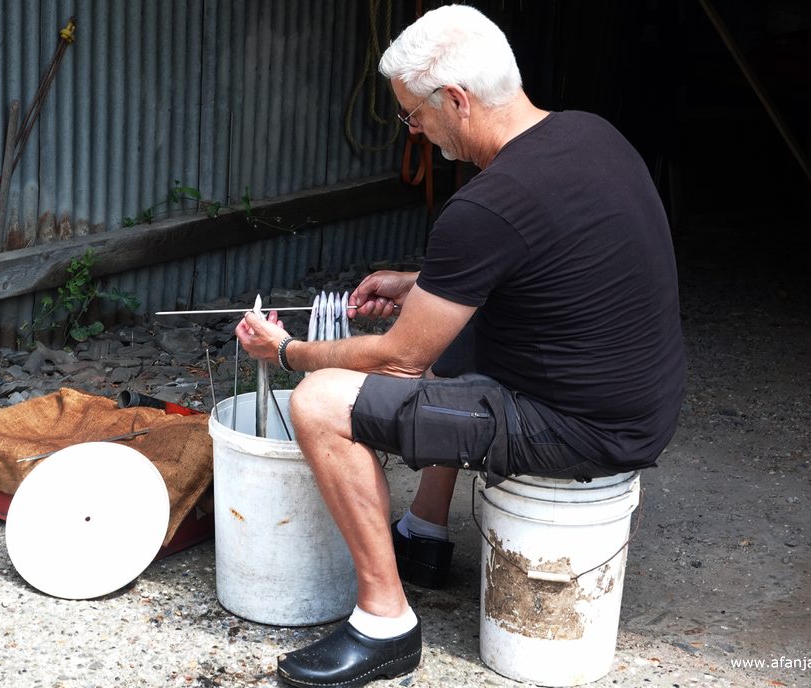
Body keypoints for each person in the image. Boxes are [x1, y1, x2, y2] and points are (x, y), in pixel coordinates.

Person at [235, 5, 686, 687]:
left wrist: (290, 352)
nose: (413, 131)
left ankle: (384, 623)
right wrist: (418, 283)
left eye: (413, 115)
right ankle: (424, 534)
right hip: (639, 402)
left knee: (321, 402)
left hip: (578, 428)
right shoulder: (589, 135)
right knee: (459, 317)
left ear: (456, 100)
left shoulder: (486, 204)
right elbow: (546, 261)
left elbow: (399, 360)